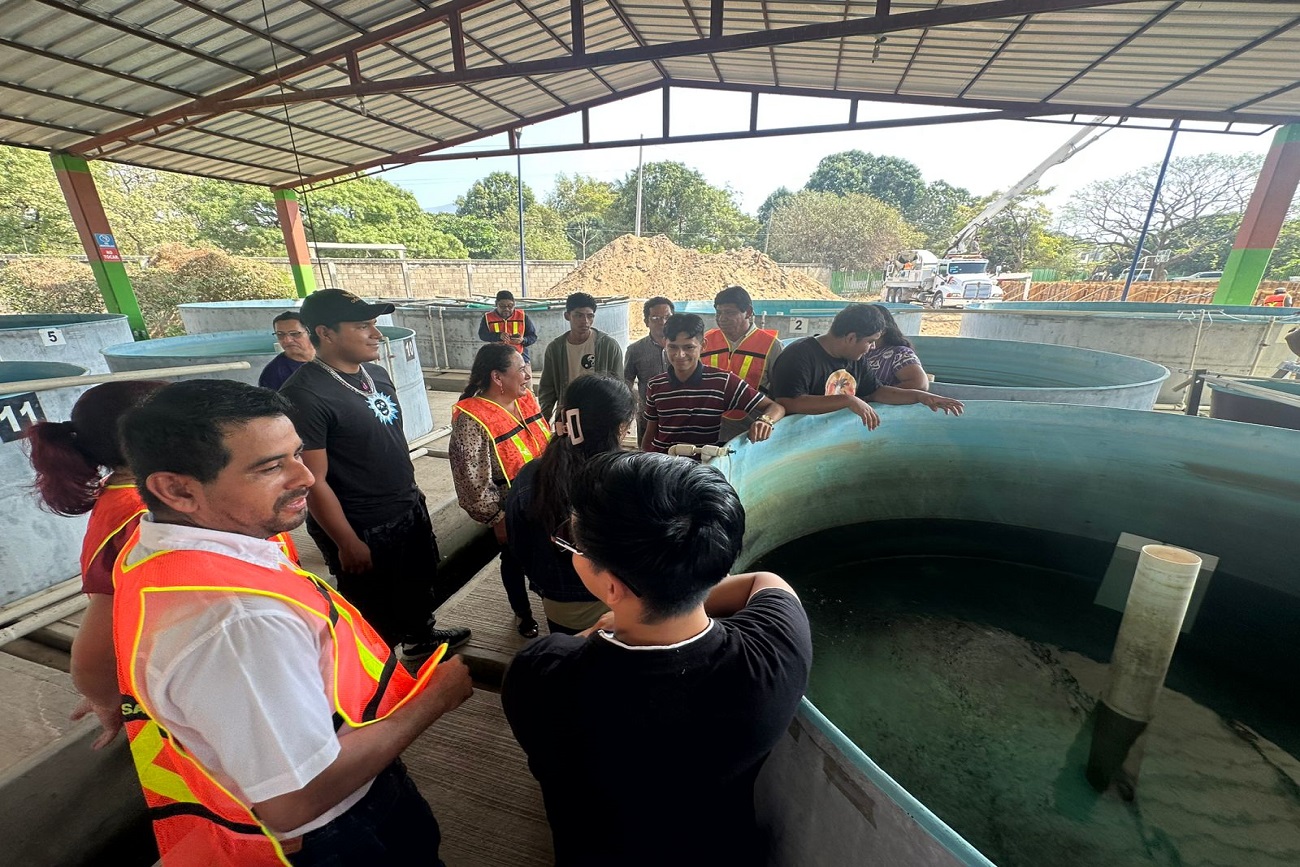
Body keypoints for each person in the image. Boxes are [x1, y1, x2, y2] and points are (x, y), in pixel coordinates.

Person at [115, 379, 473, 865]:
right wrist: (434, 700)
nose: (305, 477)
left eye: (297, 454)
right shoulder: (236, 624)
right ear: (177, 489)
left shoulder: (168, 551)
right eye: (269, 467)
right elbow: (293, 801)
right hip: (336, 832)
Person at [502, 451, 812, 867]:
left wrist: (600, 628)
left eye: (575, 542)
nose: (572, 549)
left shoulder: (542, 674)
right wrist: (680, 589)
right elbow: (765, 582)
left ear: (612, 587)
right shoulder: (774, 655)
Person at [279, 287, 470, 657]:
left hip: (405, 504)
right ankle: (381, 678)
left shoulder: (377, 374)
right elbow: (313, 480)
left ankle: (421, 638)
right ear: (325, 332)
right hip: (362, 522)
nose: (377, 334)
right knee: (372, 607)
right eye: (363, 326)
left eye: (375, 325)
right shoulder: (306, 394)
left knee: (417, 581)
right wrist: (346, 541)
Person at [22, 380, 165, 749]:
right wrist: (105, 695)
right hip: (163, 676)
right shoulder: (149, 518)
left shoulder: (125, 492)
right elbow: (98, 634)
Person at [505, 374, 635, 635]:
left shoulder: (531, 476)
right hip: (622, 603)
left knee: (571, 663)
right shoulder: (631, 478)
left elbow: (519, 546)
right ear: (620, 428)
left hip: (558, 605)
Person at [449, 344, 552, 638]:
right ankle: (523, 613)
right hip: (510, 507)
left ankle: (551, 601)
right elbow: (471, 479)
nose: (528, 375)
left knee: (547, 553)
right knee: (513, 559)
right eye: (520, 369)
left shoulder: (526, 399)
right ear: (498, 377)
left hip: (545, 495)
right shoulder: (472, 419)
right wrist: (496, 518)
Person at [770, 303, 963, 429]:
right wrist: (848, 400)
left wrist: (921, 396)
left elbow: (877, 391)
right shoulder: (798, 356)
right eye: (870, 341)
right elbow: (789, 402)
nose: (871, 348)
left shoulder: (856, 358)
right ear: (851, 337)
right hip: (794, 439)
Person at [641, 312, 785, 454]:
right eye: (673, 347)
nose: (680, 355)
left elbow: (775, 407)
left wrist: (765, 421)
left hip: (703, 468)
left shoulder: (723, 382)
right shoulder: (655, 385)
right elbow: (650, 432)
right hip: (662, 463)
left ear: (703, 345)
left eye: (688, 347)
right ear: (664, 344)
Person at [701, 285, 784, 442]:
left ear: (749, 312)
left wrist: (766, 420)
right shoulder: (706, 342)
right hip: (709, 430)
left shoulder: (772, 346)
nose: (722, 318)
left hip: (752, 433)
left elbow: (781, 397)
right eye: (718, 313)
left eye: (730, 313)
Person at [537, 292, 624, 420]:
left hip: (600, 413)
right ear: (567, 316)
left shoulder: (608, 346)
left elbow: (619, 385)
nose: (585, 321)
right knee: (568, 440)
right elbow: (547, 389)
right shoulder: (555, 348)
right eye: (579, 315)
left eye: (590, 316)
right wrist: (544, 419)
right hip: (568, 413)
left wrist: (619, 419)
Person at [623, 295, 673, 442]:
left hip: (679, 416)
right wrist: (626, 416)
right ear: (646, 322)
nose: (663, 322)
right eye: (656, 318)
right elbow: (627, 383)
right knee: (647, 459)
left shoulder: (685, 348)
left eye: (667, 317)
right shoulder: (635, 350)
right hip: (648, 418)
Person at [862, 303, 931, 390]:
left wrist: (879, 394)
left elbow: (920, 384)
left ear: (882, 330)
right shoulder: (857, 351)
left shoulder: (899, 354)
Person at [478, 290, 538, 366]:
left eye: (510, 306)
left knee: (526, 376)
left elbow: (533, 337)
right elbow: (482, 335)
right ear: (496, 304)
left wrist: (523, 340)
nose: (506, 309)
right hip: (497, 355)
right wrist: (498, 336)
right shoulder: (488, 317)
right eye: (502, 306)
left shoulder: (522, 316)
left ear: (514, 304)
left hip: (519, 354)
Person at [259, 311, 316, 391]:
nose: (287, 340)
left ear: (310, 332)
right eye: (280, 334)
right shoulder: (273, 373)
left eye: (295, 334)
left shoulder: (331, 359)